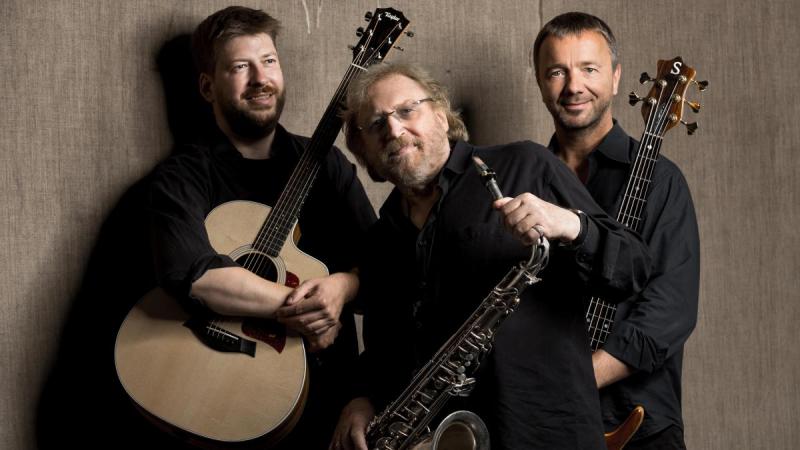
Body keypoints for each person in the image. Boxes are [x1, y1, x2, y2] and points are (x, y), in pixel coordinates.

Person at [330, 62, 653, 450]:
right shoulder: (381, 239)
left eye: (407, 110)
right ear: (363, 149)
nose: (395, 130)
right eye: (376, 124)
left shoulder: (525, 164)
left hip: (543, 434)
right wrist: (362, 398)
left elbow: (634, 268)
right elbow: (384, 350)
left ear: (441, 116)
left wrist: (570, 224)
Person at [147, 6, 376, 448]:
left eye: (269, 61)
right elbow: (193, 275)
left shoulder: (327, 164)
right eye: (240, 67)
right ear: (207, 86)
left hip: (330, 396)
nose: (260, 78)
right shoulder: (183, 176)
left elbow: (383, 263)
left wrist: (342, 287)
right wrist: (309, 311)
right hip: (217, 388)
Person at [532, 12, 700, 449]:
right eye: (557, 72)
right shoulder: (528, 185)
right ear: (540, 81)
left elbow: (668, 313)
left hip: (639, 426)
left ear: (616, 76)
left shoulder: (662, 182)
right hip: (540, 427)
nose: (574, 86)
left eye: (589, 69)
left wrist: (571, 382)